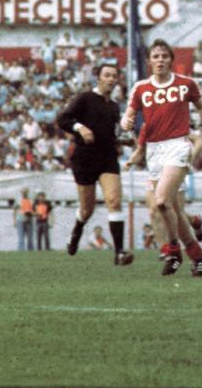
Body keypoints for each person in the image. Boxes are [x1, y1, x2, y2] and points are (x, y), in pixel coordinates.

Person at [124, 40, 202, 276]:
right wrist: (126, 121)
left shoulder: (185, 84)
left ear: (171, 60)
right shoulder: (141, 88)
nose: (160, 60)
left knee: (161, 201)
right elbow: (130, 115)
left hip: (178, 147)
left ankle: (174, 250)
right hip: (154, 152)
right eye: (156, 56)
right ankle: (196, 254)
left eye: (165, 56)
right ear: (149, 61)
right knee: (174, 211)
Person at [56, 63, 133, 265]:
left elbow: (111, 135)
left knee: (114, 200)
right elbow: (62, 119)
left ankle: (119, 253)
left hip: (107, 158)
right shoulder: (85, 98)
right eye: (107, 75)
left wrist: (124, 141)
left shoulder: (114, 106)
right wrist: (80, 127)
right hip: (84, 158)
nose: (111, 79)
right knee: (86, 210)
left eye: (114, 75)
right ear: (98, 77)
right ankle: (76, 231)